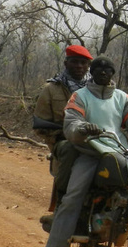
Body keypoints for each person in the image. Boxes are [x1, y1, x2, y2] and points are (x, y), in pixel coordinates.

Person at [31, 55, 128, 247]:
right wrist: (83, 129)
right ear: (92, 73)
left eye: (108, 71)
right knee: (73, 195)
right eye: (99, 70)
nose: (103, 73)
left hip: (118, 150)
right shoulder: (80, 96)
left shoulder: (122, 97)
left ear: (113, 74)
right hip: (89, 151)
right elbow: (72, 123)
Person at [32, 44, 92, 212]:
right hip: (65, 142)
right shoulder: (51, 89)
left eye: (83, 63)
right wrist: (58, 138)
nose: (79, 66)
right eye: (75, 62)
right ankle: (62, 205)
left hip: (97, 141)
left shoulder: (96, 89)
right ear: (66, 64)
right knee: (69, 150)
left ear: (88, 66)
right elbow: (40, 124)